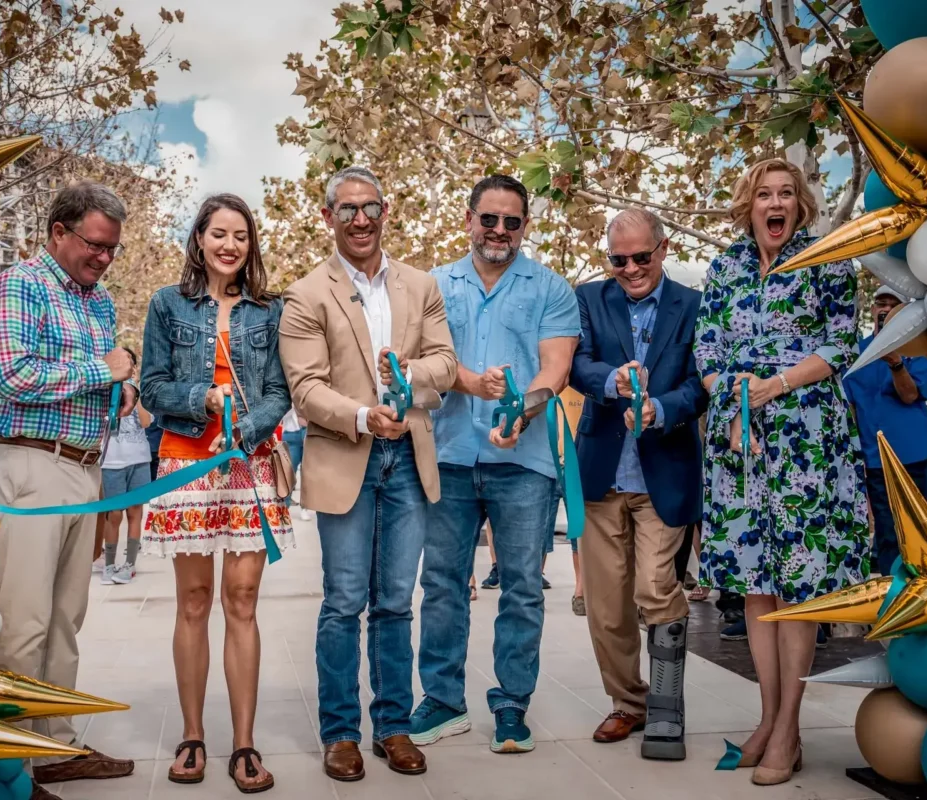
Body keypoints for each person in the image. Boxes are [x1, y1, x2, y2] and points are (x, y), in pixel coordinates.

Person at [693, 158, 869, 786]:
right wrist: (729, 393)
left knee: (795, 584)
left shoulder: (825, 259)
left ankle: (788, 731)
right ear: (749, 204)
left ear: (800, 203)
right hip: (740, 441)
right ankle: (767, 718)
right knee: (756, 584)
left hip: (806, 440)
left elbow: (844, 341)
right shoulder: (727, 266)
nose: (776, 203)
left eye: (786, 193)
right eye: (764, 193)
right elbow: (706, 345)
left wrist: (775, 385)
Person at [278, 166, 457, 782]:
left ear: (387, 212)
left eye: (370, 207)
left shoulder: (420, 284)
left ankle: (394, 726)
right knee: (343, 601)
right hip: (345, 453)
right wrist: (361, 413)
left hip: (409, 455)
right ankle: (340, 733)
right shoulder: (306, 293)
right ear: (328, 218)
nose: (360, 219)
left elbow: (445, 361)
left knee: (394, 604)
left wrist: (405, 373)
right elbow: (305, 389)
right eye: (347, 209)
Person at [0, 180, 138, 799]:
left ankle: (56, 747)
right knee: (23, 622)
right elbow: (10, 375)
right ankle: (8, 766)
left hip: (83, 468)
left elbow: (95, 380)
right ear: (58, 232)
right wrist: (107, 370)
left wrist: (120, 391)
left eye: (111, 250)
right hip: (29, 465)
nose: (103, 258)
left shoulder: (98, 302)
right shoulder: (21, 284)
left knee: (66, 617)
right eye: (96, 245)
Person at [412, 174, 579, 755]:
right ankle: (441, 700)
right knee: (441, 585)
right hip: (450, 456)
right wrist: (471, 383)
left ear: (525, 226)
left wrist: (521, 414)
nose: (500, 231)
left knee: (523, 589)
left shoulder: (552, 289)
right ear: (469, 219)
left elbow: (554, 369)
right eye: (490, 219)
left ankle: (512, 705)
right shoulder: (433, 286)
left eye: (512, 221)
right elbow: (427, 363)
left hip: (525, 462)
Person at [139, 193, 294, 793]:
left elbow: (280, 390)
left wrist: (248, 430)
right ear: (199, 238)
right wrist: (201, 399)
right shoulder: (165, 304)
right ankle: (193, 735)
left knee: (244, 599)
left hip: (248, 463)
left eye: (242, 236)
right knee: (195, 601)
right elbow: (152, 386)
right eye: (220, 233)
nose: (231, 245)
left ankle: (246, 744)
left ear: (250, 245)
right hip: (186, 464)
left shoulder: (269, 312)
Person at [569, 208, 707, 758]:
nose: (629, 268)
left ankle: (668, 710)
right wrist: (610, 380)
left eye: (640, 257)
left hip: (664, 471)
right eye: (618, 259)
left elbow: (702, 383)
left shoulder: (694, 306)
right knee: (606, 607)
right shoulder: (588, 299)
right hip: (602, 473)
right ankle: (629, 703)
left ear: (663, 249)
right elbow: (575, 363)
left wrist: (660, 407)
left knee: (654, 587)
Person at [842, 286, 927, 575]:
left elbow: (909, 396)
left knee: (922, 532)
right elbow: (850, 409)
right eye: (879, 303)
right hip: (876, 459)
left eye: (891, 304)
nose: (883, 309)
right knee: (887, 534)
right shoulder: (856, 351)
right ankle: (892, 601)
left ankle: (926, 598)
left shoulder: (918, 348)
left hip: (915, 456)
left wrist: (896, 363)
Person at [98, 350, 151, 585]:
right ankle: (108, 564)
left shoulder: (140, 390)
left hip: (139, 458)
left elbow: (147, 421)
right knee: (114, 515)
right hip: (111, 460)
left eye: (129, 363)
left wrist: (136, 391)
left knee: (134, 513)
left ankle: (129, 564)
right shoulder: (104, 389)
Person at [281, 407, 312, 520]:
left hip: (308, 432)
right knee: (288, 474)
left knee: (307, 474)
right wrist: (295, 405)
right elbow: (281, 413)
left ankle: (305, 508)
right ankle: (284, 507)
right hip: (291, 434)